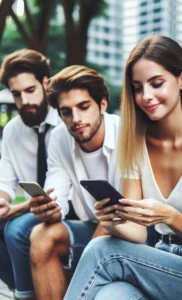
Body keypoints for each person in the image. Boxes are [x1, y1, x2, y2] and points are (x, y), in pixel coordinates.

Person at [65, 35, 182, 300]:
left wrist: (167, 215)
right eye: (137, 88)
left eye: (156, 83)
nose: (146, 96)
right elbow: (136, 232)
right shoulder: (135, 143)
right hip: (158, 261)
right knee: (111, 296)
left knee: (102, 250)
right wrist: (110, 221)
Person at [26, 65, 120, 300]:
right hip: (91, 226)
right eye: (66, 112)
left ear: (103, 104)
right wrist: (50, 209)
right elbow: (56, 189)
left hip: (134, 231)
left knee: (96, 250)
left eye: (84, 107)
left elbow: (123, 210)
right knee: (41, 235)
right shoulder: (59, 137)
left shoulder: (126, 132)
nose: (76, 119)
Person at [0, 49, 61, 298]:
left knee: (17, 230)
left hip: (67, 209)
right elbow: (5, 184)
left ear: (45, 84)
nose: (24, 101)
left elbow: (61, 192)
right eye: (17, 94)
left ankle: (23, 295)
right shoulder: (13, 131)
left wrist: (16, 210)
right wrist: (2, 201)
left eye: (30, 91)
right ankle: (25, 289)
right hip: (31, 210)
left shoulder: (70, 121)